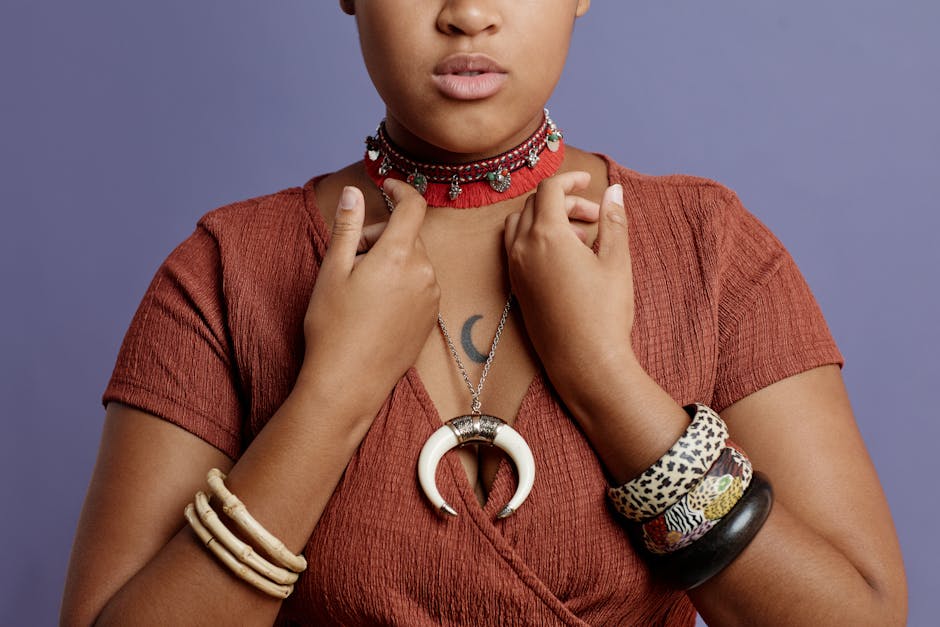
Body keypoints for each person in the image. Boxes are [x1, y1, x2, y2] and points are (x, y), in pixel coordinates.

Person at [61, 1, 907, 625]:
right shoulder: (225, 270)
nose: (468, 14)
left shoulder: (709, 249)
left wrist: (608, 380)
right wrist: (333, 396)